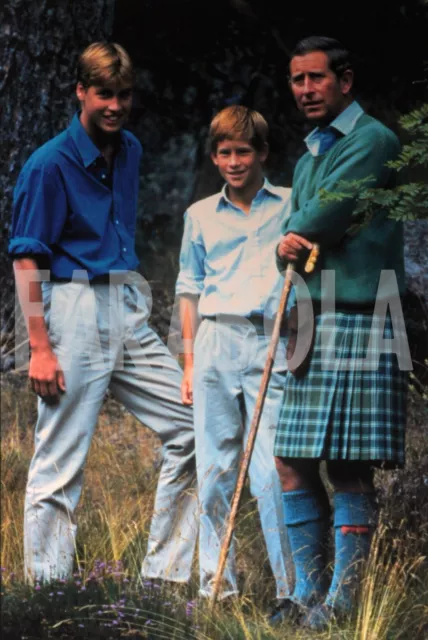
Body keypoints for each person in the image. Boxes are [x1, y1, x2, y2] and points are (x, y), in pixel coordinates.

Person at [9, 42, 198, 585]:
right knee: (61, 457)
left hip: (126, 302)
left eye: (125, 94)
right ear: (81, 93)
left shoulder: (130, 149)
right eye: (104, 94)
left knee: (193, 426)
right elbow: (27, 257)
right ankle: (47, 591)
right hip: (71, 306)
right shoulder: (50, 164)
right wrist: (40, 348)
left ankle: (164, 578)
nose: (116, 105)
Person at [272, 36, 409, 629]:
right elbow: (291, 239)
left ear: (344, 81)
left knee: (349, 464)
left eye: (316, 79)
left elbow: (315, 218)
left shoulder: (373, 141)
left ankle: (345, 605)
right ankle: (307, 593)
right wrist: (288, 241)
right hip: (312, 315)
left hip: (362, 312)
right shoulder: (307, 158)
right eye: (297, 80)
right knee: (290, 459)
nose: (305, 90)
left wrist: (292, 235)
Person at [175, 105, 292, 602]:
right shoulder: (200, 215)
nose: (234, 161)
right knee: (216, 468)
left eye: (244, 151)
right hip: (215, 341)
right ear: (215, 157)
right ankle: (217, 586)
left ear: (262, 153)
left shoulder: (290, 203)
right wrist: (188, 363)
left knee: (272, 468)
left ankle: (293, 590)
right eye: (224, 152)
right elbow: (189, 287)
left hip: (271, 340)